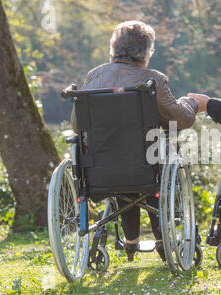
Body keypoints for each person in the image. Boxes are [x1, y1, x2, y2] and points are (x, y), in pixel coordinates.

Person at [70, 20, 198, 262]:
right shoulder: (153, 80)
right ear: (147, 53)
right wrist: (191, 103)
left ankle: (131, 240)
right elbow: (182, 120)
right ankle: (162, 240)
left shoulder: (94, 77)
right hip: (144, 168)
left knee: (121, 154)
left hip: (101, 170)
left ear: (112, 50)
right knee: (149, 158)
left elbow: (77, 126)